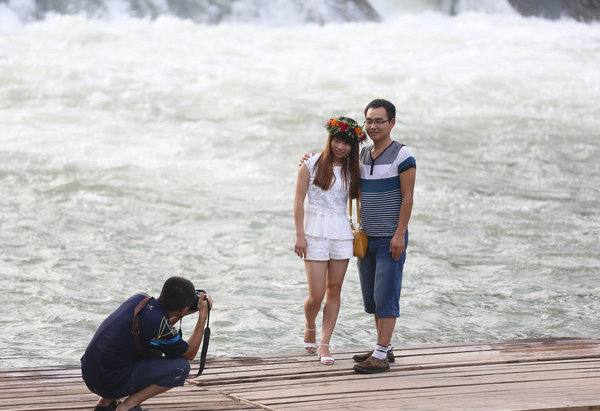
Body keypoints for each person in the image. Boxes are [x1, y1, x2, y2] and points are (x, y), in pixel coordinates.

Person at [294, 117, 366, 365]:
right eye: (337, 140)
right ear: (330, 138)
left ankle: (325, 343)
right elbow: (298, 202)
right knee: (316, 294)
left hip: (341, 232)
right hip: (314, 232)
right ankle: (310, 325)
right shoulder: (310, 164)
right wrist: (299, 236)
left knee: (334, 290)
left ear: (353, 146)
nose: (340, 147)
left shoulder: (354, 169)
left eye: (347, 143)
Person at [351, 98, 416, 374]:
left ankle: (380, 355)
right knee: (374, 298)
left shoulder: (402, 155)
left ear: (392, 122)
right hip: (367, 237)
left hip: (391, 237)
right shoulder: (363, 155)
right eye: (369, 120)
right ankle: (384, 347)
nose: (373, 126)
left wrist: (399, 234)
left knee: (386, 295)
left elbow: (407, 196)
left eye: (379, 121)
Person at [81, 276, 213, 411]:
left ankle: (106, 402)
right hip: (108, 381)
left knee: (145, 346)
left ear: (163, 292)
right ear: (184, 308)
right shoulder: (158, 326)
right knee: (181, 367)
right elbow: (190, 353)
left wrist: (181, 314)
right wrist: (203, 315)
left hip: (89, 373)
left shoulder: (139, 299)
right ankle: (127, 406)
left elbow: (155, 327)